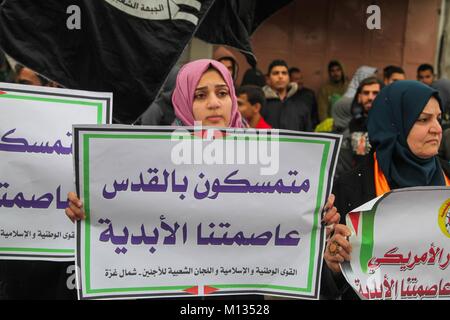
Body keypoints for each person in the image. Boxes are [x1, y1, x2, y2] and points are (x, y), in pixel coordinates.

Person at [65, 59, 340, 299]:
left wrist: (317, 229)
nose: (213, 103)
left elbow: (288, 245)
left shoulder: (268, 166)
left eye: (222, 93)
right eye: (199, 95)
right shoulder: (150, 163)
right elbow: (125, 218)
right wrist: (93, 211)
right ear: (183, 101)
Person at [322, 80, 450, 299]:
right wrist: (332, 266)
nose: (437, 129)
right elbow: (331, 281)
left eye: (438, 118)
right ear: (394, 124)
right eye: (422, 119)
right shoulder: (352, 186)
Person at [261, 59, 313, 132]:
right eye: (276, 73)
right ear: (268, 79)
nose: (280, 76)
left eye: (284, 73)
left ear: (289, 78)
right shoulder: (260, 105)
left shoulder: (301, 105)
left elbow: (308, 135)